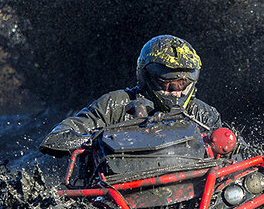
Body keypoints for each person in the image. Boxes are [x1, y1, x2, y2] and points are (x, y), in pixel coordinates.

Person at [39, 35, 224, 157]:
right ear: (148, 77)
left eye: (182, 84)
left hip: (190, 190)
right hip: (119, 191)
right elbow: (55, 138)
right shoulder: (116, 104)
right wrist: (94, 140)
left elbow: (236, 151)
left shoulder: (203, 114)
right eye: (168, 83)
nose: (176, 91)